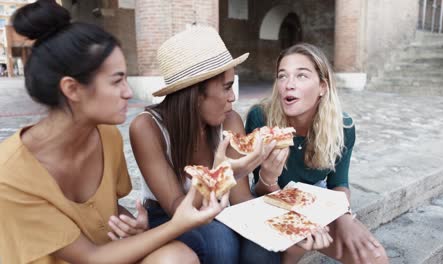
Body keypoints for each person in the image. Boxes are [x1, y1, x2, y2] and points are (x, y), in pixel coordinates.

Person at [0, 1, 228, 263]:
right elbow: (91, 257)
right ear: (72, 89)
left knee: (177, 257)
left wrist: (133, 226)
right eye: (117, 80)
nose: (128, 92)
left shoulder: (107, 136)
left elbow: (102, 212)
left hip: (108, 254)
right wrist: (178, 224)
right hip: (93, 257)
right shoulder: (10, 176)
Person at [128, 27, 332, 264]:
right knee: (220, 240)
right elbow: (178, 209)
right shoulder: (147, 128)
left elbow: (241, 199)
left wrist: (290, 222)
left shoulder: (230, 120)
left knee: (261, 247)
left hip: (222, 210)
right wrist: (223, 175)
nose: (233, 97)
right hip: (169, 216)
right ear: (195, 93)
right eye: (226, 87)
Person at [245, 43, 389, 264]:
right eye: (282, 76)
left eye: (301, 76)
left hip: (315, 202)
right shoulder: (260, 118)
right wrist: (269, 177)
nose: (288, 84)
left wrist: (344, 216)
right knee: (293, 245)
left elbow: (339, 184)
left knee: (375, 256)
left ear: (322, 86)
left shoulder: (343, 128)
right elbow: (261, 188)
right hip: (271, 200)